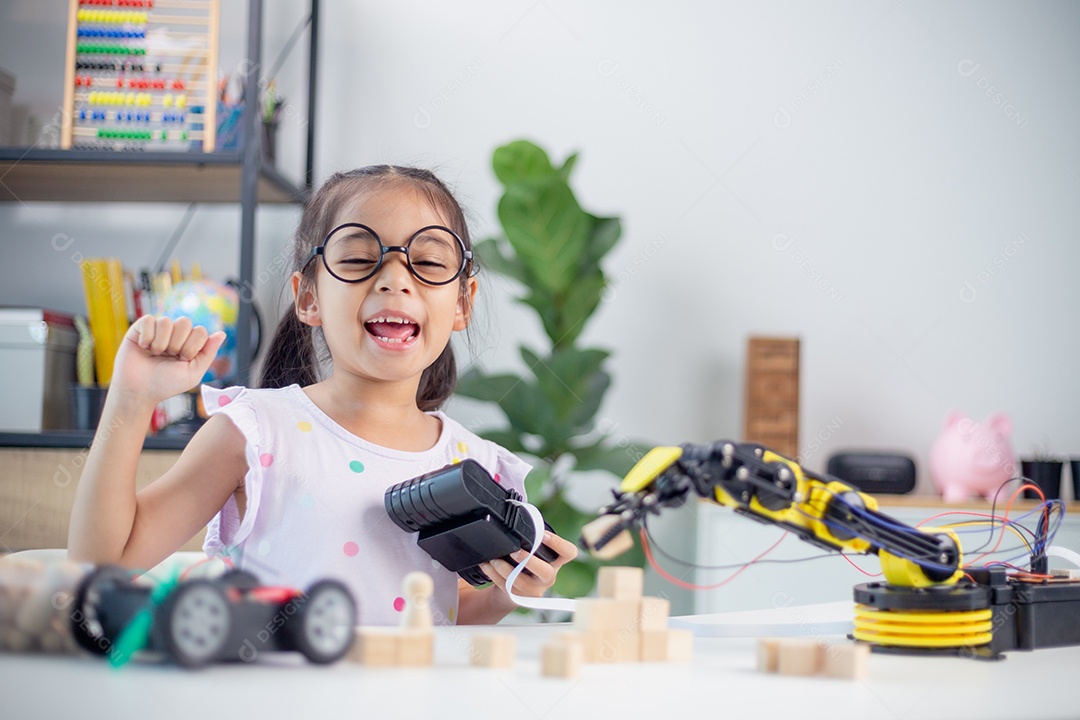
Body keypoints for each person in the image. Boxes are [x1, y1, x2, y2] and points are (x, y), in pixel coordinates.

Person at [68, 165, 578, 625]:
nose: (395, 280)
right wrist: (132, 400)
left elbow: (439, 614)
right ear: (308, 296)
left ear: (463, 301)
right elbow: (100, 564)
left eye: (427, 261)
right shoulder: (252, 431)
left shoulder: (476, 464)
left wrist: (503, 597)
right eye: (359, 258)